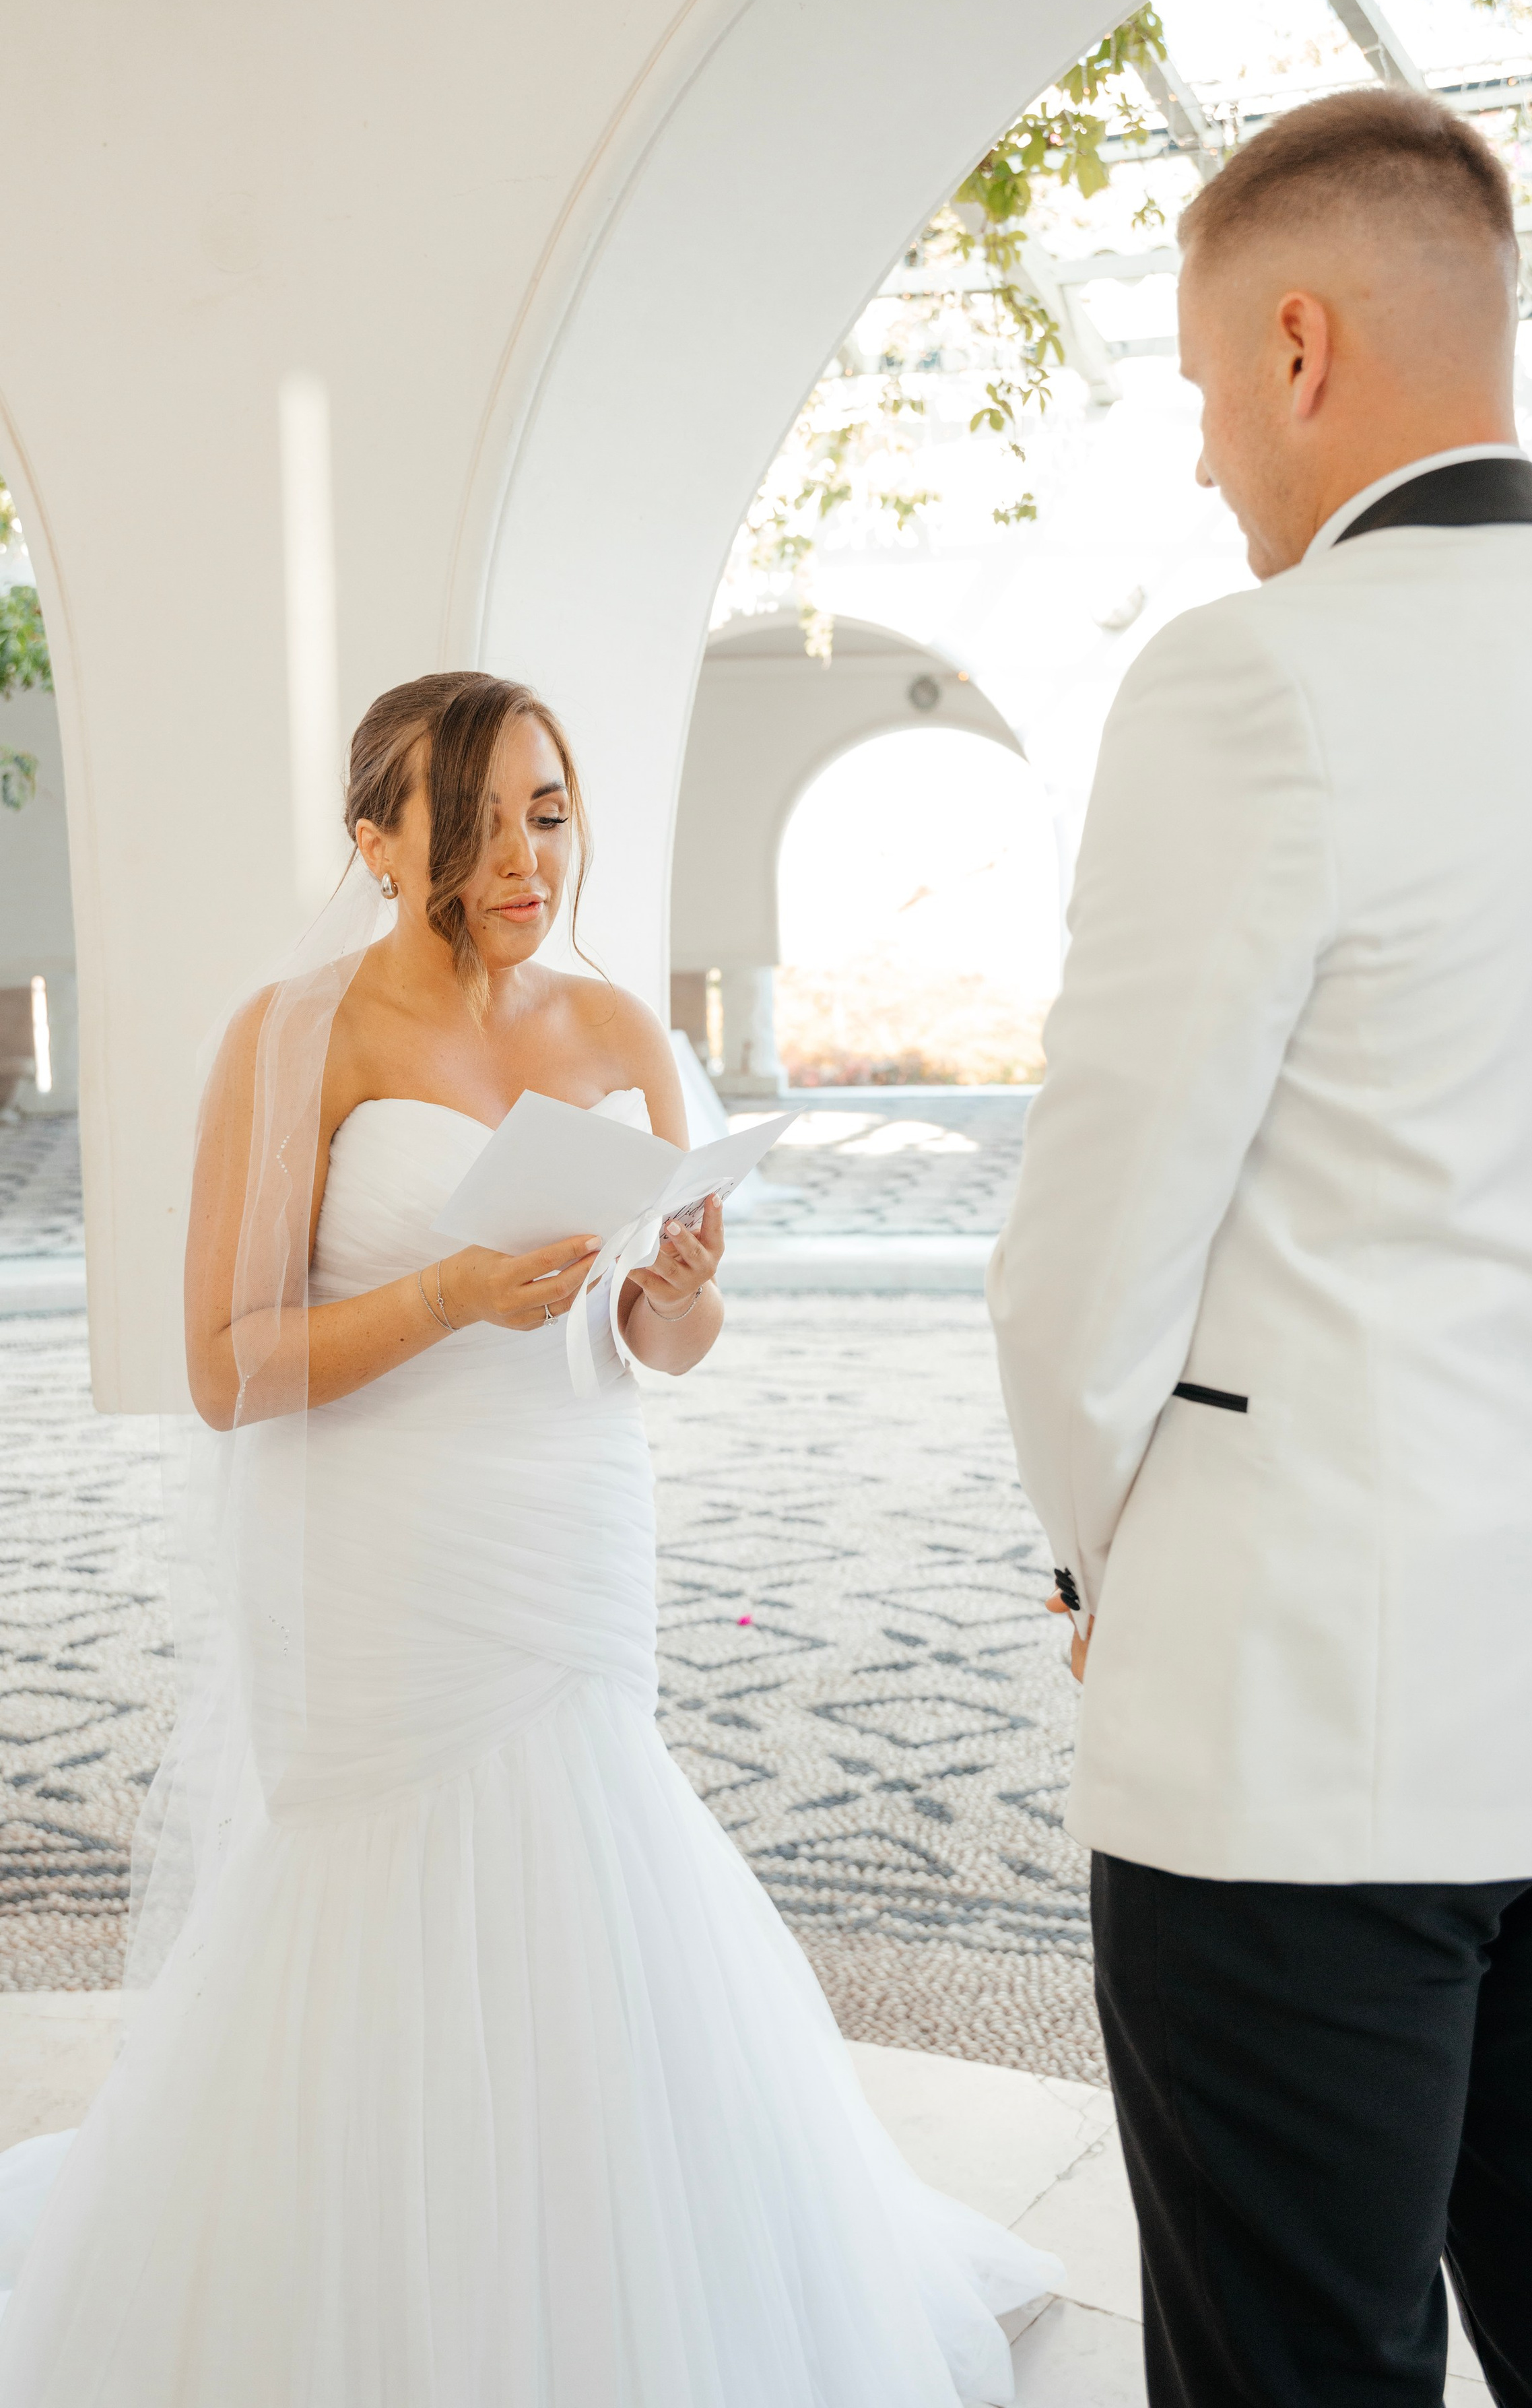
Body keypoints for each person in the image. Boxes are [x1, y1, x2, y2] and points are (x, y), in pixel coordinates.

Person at [0, 670, 1058, 2404]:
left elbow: (660, 1347)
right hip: (375, 1556)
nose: (522, 857)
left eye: (548, 812)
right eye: (475, 820)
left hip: (570, 1533)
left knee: (590, 1879)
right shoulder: (298, 1036)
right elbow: (224, 1366)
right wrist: (444, 1294)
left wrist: (679, 1296)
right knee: (379, 1908)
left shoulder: (621, 1033)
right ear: (373, 838)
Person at [988, 88, 1532, 2406]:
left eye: (1207, 398)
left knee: (1300, 2360)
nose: (1212, 465)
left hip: (1300, 1712)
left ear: (1298, 347)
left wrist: (1114, 1557)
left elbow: (1089, 1248)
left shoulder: (1257, 681)